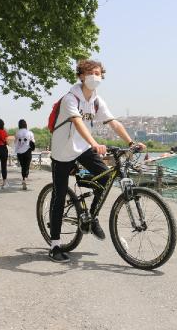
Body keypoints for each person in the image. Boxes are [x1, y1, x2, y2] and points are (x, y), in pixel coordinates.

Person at [49, 59, 146, 263]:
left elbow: (113, 122)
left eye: (99, 73)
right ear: (81, 76)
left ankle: (91, 218)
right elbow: (77, 122)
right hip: (63, 151)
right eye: (91, 73)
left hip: (83, 148)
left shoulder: (96, 101)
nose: (96, 77)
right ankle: (55, 245)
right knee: (59, 196)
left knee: (106, 178)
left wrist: (131, 142)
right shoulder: (70, 98)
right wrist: (94, 143)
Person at [14, 119, 34, 190]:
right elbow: (33, 142)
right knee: (27, 166)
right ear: (26, 125)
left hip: (20, 152)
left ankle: (23, 178)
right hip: (28, 151)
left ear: (19, 125)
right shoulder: (30, 133)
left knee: (23, 166)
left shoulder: (17, 133)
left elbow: (15, 142)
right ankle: (25, 178)